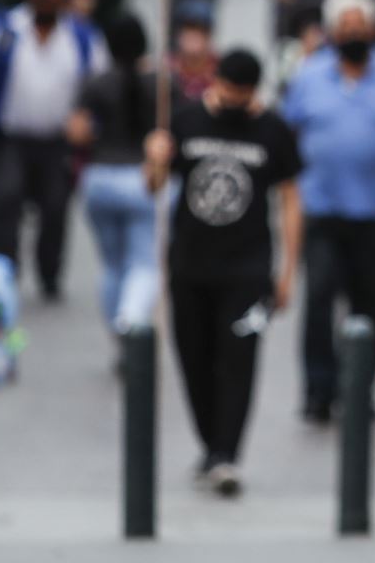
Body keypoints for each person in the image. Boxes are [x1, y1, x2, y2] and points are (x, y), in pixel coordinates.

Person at [146, 50, 303, 497]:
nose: (236, 101)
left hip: (248, 269)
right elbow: (153, 185)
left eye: (245, 94)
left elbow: (291, 199)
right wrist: (155, 157)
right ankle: (210, 445)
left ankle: (226, 455)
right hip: (190, 265)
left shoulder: (272, 129)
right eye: (230, 91)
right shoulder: (185, 121)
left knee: (239, 361)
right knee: (193, 358)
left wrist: (288, 270)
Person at [282, 0, 375, 423]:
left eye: (360, 25)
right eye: (345, 26)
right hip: (321, 210)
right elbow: (288, 133)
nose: (353, 32)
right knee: (320, 299)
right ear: (331, 31)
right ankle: (318, 390)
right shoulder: (309, 73)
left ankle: (360, 388)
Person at [0, 0, 109, 300]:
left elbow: (100, 84)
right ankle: (5, 271)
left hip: (58, 140)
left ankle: (49, 275)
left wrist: (89, 123)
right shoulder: (5, 30)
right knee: (6, 198)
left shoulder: (81, 36)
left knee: (56, 206)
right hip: (13, 136)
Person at [69, 15, 163, 342]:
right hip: (142, 179)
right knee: (143, 262)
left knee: (112, 264)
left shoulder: (96, 82)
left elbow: (77, 132)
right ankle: (132, 320)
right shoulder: (160, 84)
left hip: (100, 177)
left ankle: (118, 330)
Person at [171, 0, 220, 103]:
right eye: (188, 30)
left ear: (209, 35)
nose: (193, 37)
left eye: (200, 31)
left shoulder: (221, 70)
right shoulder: (166, 69)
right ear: (178, 34)